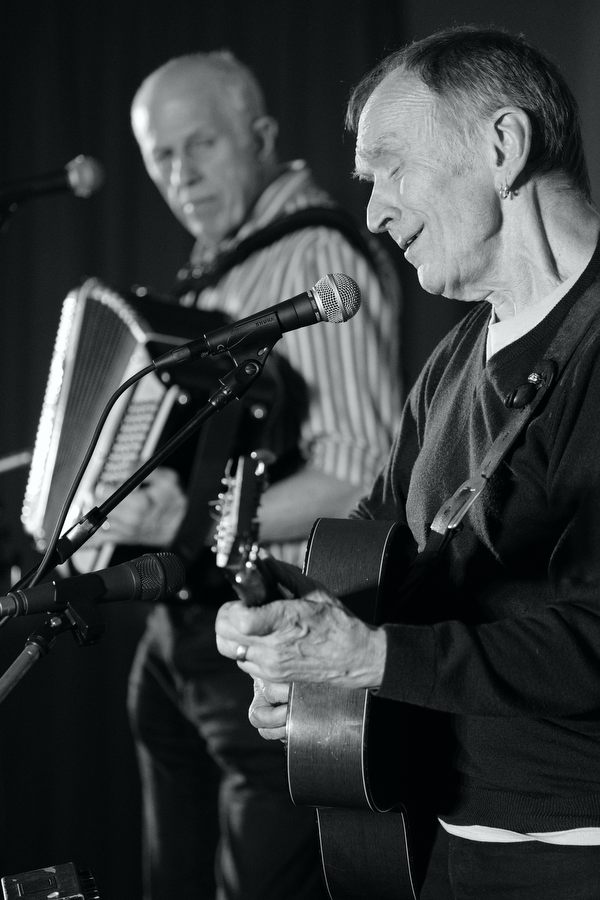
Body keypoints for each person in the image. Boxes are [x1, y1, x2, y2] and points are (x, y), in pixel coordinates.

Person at [215, 25, 600, 900]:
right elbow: (373, 565)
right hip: (435, 843)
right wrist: (287, 639)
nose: (376, 212)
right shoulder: (451, 365)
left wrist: (369, 658)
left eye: (391, 167)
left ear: (504, 146)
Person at [87, 52, 401, 899]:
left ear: (260, 137)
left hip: (274, 629)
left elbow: (355, 466)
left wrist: (184, 522)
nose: (182, 176)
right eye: (162, 157)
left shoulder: (308, 256)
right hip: (186, 631)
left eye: (204, 147)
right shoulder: (217, 266)